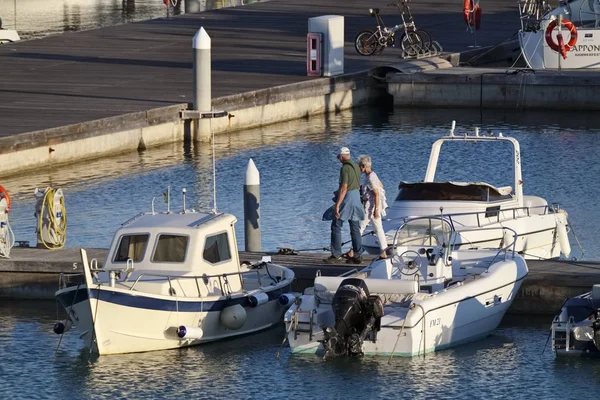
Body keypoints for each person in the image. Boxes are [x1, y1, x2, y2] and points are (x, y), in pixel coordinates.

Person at [322, 147, 365, 264]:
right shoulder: (356, 167)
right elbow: (356, 185)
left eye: (338, 157)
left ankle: (336, 255)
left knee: (336, 224)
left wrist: (338, 204)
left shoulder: (345, 168)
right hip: (356, 198)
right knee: (355, 227)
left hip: (348, 199)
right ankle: (358, 254)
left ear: (341, 157)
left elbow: (345, 187)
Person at [345, 155, 389, 259]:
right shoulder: (372, 175)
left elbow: (377, 193)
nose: (359, 168)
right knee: (378, 229)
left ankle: (353, 250)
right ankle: (383, 252)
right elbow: (381, 186)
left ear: (364, 166)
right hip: (372, 206)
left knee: (360, 227)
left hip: (371, 208)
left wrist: (376, 210)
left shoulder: (371, 178)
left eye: (360, 166)